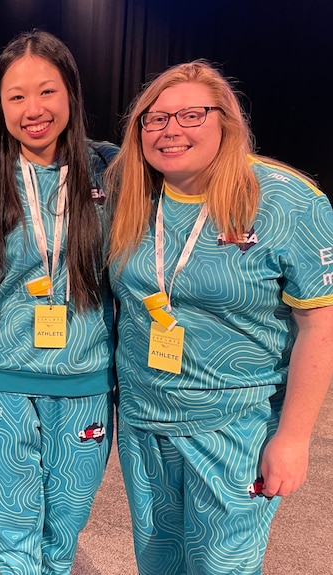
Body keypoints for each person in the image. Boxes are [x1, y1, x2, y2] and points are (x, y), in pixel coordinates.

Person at [106, 60, 333, 575]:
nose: (171, 130)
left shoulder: (285, 201)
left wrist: (294, 439)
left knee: (222, 567)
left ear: (225, 122)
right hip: (144, 424)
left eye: (191, 114)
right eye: (155, 118)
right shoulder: (133, 196)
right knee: (159, 562)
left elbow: (322, 329)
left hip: (235, 429)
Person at [0, 30, 117, 575]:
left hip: (85, 379)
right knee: (13, 529)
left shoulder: (111, 171)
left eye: (46, 92)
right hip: (7, 379)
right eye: (16, 96)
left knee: (64, 528)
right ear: (0, 106)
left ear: (71, 95)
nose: (33, 110)